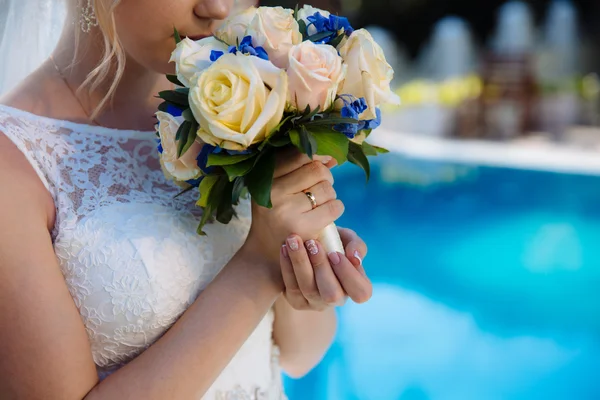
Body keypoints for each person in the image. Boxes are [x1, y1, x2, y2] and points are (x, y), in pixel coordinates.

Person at [0, 0, 373, 398]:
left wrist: (303, 257)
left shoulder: (236, 106)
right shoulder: (16, 165)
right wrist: (257, 265)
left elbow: (300, 356)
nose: (218, 7)